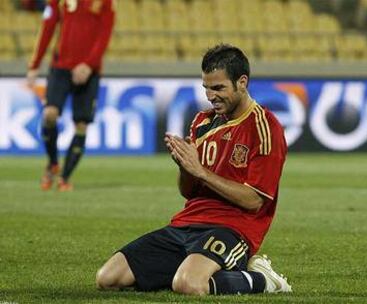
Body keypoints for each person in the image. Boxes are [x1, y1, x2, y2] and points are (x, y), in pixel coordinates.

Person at [96, 44, 291, 295]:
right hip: (186, 225)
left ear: (242, 82)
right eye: (206, 88)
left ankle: (262, 279)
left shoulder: (264, 127)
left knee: (189, 285)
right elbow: (188, 193)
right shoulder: (202, 122)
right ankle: (191, 267)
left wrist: (201, 172)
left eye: (218, 88)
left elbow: (254, 201)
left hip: (232, 228)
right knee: (108, 278)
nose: (210, 96)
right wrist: (186, 168)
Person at [26, 0, 115, 191]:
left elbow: (105, 34)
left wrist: (88, 64)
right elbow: (47, 28)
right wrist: (34, 65)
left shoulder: (105, 2)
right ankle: (52, 163)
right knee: (49, 114)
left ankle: (64, 177)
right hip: (60, 68)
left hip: (89, 71)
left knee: (81, 125)